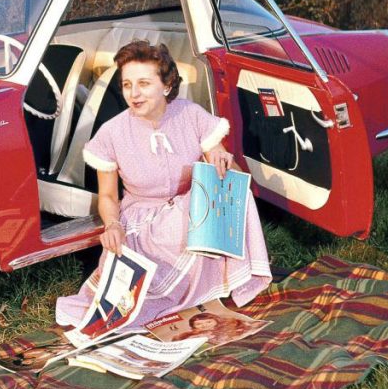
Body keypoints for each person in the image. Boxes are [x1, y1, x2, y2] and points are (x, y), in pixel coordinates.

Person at [56, 40, 271, 329]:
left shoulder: (190, 114)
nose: (134, 93)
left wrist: (222, 158)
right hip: (142, 222)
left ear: (166, 85)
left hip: (188, 212)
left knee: (233, 189)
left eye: (144, 83)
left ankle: (228, 278)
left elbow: (225, 170)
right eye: (127, 84)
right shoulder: (112, 132)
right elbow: (107, 196)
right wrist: (112, 225)